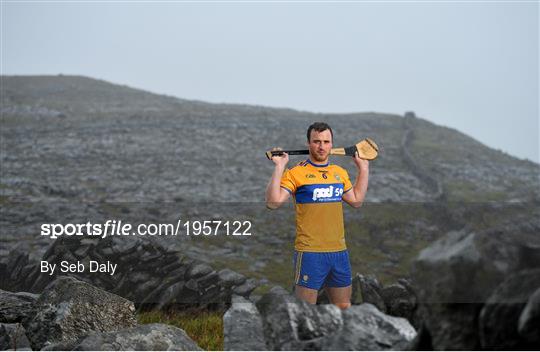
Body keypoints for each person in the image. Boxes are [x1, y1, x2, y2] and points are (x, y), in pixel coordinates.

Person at [265, 122, 369, 309]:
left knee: (344, 309)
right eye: (317, 141)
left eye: (326, 142)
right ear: (308, 143)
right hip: (310, 253)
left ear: (332, 144)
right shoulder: (296, 173)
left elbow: (356, 201)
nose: (321, 146)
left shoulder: (339, 173)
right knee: (306, 313)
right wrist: (280, 167)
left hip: (339, 252)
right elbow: (273, 203)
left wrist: (363, 169)